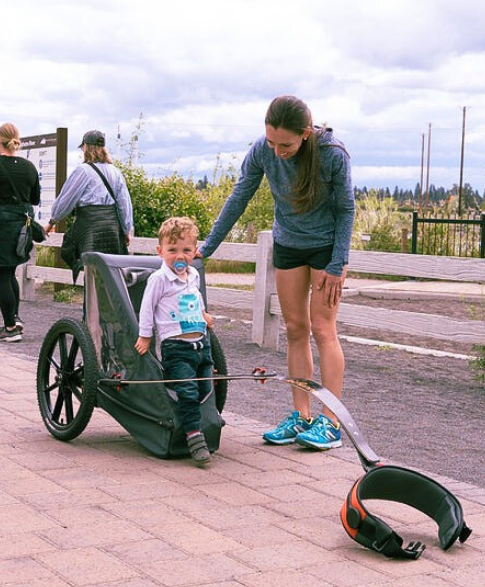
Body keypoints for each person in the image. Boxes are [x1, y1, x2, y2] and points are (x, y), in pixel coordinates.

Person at [198, 95, 355, 451]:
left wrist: (338, 263)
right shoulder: (263, 150)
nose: (277, 150)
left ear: (305, 134)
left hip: (325, 248)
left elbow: (346, 208)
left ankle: (329, 423)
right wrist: (208, 247)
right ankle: (302, 416)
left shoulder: (332, 154)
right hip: (288, 244)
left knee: (323, 329)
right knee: (295, 329)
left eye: (285, 144)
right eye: (271, 142)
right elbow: (240, 195)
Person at [135, 217, 216, 464]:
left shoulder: (192, 275)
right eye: (172, 250)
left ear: (194, 251)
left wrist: (203, 314)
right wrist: (145, 336)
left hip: (201, 343)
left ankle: (207, 423)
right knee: (188, 391)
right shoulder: (159, 279)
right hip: (176, 346)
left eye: (185, 250)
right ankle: (193, 435)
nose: (179, 256)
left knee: (206, 387)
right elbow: (147, 308)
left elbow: (195, 297)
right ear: (161, 252)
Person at [46, 130, 134, 282]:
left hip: (90, 229)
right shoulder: (115, 172)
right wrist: (126, 230)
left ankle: (90, 306)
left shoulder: (83, 171)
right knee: (110, 279)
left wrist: (52, 221)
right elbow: (124, 204)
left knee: (91, 277)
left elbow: (66, 199)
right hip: (112, 230)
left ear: (86, 147)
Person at [0, 123, 41, 343]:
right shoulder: (29, 167)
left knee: (2, 274)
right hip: (22, 226)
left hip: (2, 225)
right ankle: (14, 319)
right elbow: (34, 199)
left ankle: (10, 328)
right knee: (10, 272)